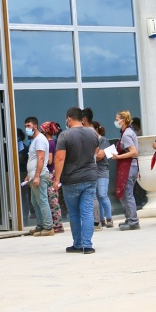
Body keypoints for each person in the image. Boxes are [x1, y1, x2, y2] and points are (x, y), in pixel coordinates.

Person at [54, 107, 99, 254]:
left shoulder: (64, 136)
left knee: (74, 213)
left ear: (69, 118)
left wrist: (56, 180)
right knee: (87, 212)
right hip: (90, 177)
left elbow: (60, 159)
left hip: (71, 179)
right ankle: (87, 245)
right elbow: (95, 152)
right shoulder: (92, 133)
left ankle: (78, 244)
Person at [24, 116, 54, 237]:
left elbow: (41, 159)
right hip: (34, 175)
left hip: (40, 175)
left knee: (41, 200)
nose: (27, 128)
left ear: (35, 126)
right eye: (26, 126)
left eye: (29, 126)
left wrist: (37, 176)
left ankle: (48, 227)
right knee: (35, 201)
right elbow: (34, 159)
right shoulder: (34, 140)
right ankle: (40, 225)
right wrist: (29, 175)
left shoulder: (40, 140)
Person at [113, 110, 140, 231]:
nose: (115, 121)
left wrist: (118, 157)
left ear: (123, 120)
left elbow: (134, 152)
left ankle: (133, 221)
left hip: (129, 167)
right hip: (131, 167)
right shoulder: (128, 132)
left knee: (127, 194)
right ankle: (130, 218)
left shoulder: (126, 134)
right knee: (126, 193)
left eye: (117, 119)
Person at [40, 121, 64, 233]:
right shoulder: (53, 142)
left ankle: (57, 224)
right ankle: (56, 223)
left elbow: (50, 160)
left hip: (50, 173)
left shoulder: (49, 144)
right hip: (52, 172)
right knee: (53, 198)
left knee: (52, 199)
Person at [81, 108, 102, 231]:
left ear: (84, 119)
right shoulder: (93, 132)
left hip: (87, 168)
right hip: (90, 167)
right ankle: (94, 221)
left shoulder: (87, 132)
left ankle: (95, 221)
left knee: (91, 196)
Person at [92, 121, 113, 228]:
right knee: (96, 197)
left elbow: (100, 156)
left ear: (96, 129)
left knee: (102, 194)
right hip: (92, 171)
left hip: (102, 170)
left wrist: (91, 154)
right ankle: (100, 219)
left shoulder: (103, 140)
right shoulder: (90, 141)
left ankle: (109, 218)